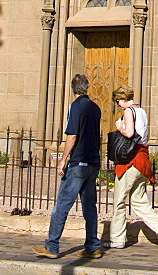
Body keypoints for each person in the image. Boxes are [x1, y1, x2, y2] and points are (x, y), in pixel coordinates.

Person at [33, 74, 102, 259]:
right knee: (90, 207)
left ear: (73, 89)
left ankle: (52, 246)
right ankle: (92, 246)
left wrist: (63, 160)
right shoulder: (96, 108)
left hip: (78, 162)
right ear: (86, 87)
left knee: (62, 205)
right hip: (93, 162)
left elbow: (72, 135)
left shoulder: (76, 107)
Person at [106, 85, 158, 250]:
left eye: (118, 101)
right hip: (143, 160)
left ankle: (117, 239)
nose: (118, 104)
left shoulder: (128, 112)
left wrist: (119, 126)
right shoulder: (141, 111)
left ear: (122, 98)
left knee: (119, 201)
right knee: (138, 200)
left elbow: (129, 133)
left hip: (132, 160)